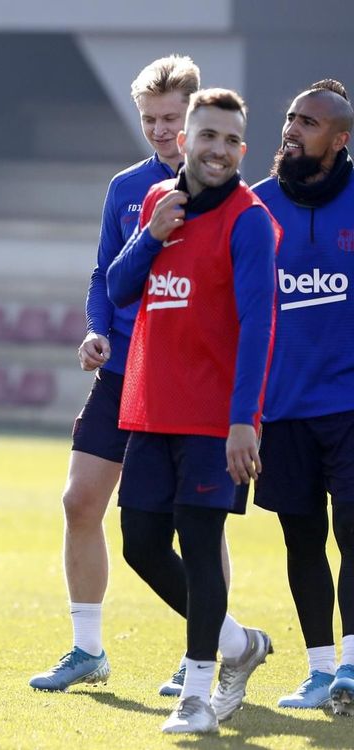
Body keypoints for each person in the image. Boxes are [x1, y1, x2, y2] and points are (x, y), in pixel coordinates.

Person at [29, 54, 232, 698]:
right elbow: (103, 274)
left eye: (172, 118)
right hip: (123, 370)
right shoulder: (126, 188)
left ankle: (206, 651)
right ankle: (87, 648)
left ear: (197, 117)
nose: (161, 130)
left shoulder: (227, 195)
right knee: (79, 501)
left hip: (188, 379)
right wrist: (96, 329)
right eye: (150, 119)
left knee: (198, 521)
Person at [106, 88, 278, 734]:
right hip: (151, 410)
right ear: (184, 142)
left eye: (232, 141)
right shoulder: (158, 202)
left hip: (213, 419)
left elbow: (259, 325)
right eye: (208, 136)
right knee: (140, 544)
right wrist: (150, 236)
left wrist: (243, 420)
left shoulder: (250, 220)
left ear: (242, 149)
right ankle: (238, 643)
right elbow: (119, 288)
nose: (219, 151)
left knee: (201, 547)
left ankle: (197, 696)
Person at [252, 79, 354, 715]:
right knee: (302, 539)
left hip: (349, 405)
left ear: (339, 140)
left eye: (309, 123)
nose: (292, 129)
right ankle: (319, 671)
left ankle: (352, 665)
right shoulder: (256, 206)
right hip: (283, 408)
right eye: (291, 117)